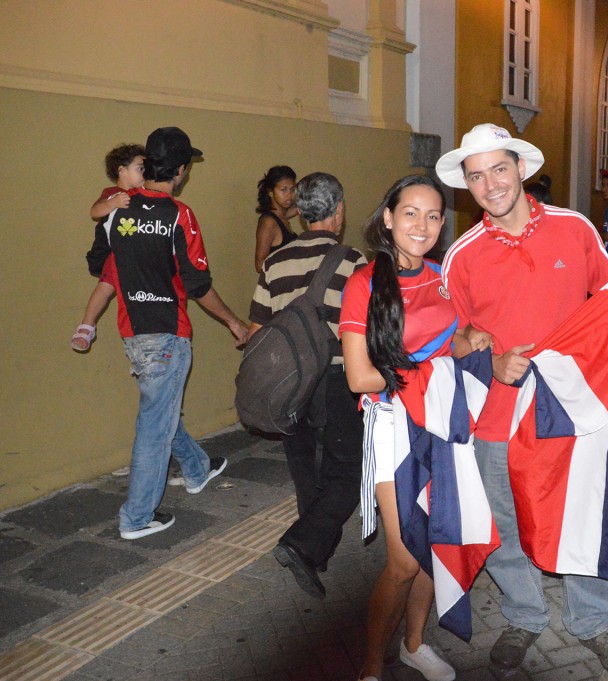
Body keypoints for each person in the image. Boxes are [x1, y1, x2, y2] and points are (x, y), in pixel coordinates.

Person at [436, 123, 608, 677]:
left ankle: (592, 622)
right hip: (497, 408)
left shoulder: (574, 229)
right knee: (503, 515)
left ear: (520, 168)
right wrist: (490, 363)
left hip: (572, 403)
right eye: (476, 175)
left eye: (498, 168)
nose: (490, 183)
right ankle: (524, 613)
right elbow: (453, 339)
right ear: (466, 185)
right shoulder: (461, 257)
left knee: (582, 511)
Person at [340, 175, 485, 681]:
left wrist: (472, 340)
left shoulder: (444, 276)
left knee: (434, 544)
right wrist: (432, 367)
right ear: (387, 218)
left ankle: (414, 643)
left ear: (443, 224)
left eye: (432, 216)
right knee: (402, 561)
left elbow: (458, 337)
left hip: (442, 417)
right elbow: (360, 377)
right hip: (392, 427)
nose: (421, 225)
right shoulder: (364, 285)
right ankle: (369, 668)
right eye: (409, 213)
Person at [86, 127, 247, 539]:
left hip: (133, 332)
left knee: (161, 413)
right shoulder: (179, 214)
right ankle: (137, 518)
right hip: (168, 334)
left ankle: (196, 470)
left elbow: (98, 263)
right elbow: (198, 285)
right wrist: (232, 320)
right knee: (154, 428)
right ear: (179, 170)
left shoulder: (115, 209)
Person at [248, 172, 368, 599]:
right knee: (349, 470)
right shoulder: (352, 262)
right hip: (336, 379)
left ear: (299, 213)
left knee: (305, 469)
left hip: (287, 381)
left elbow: (255, 328)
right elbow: (365, 328)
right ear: (338, 211)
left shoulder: (274, 263)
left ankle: (315, 552)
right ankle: (302, 544)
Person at [71, 144, 147, 352]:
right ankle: (87, 325)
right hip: (115, 253)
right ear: (122, 170)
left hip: (136, 257)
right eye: (140, 168)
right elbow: (95, 212)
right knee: (105, 287)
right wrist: (112, 203)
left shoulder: (144, 196)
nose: (145, 173)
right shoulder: (113, 193)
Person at [253, 165, 300, 273]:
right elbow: (259, 265)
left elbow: (299, 207)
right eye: (283, 190)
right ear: (271, 192)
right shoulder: (269, 222)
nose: (289, 195)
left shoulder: (282, 216)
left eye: (292, 189)